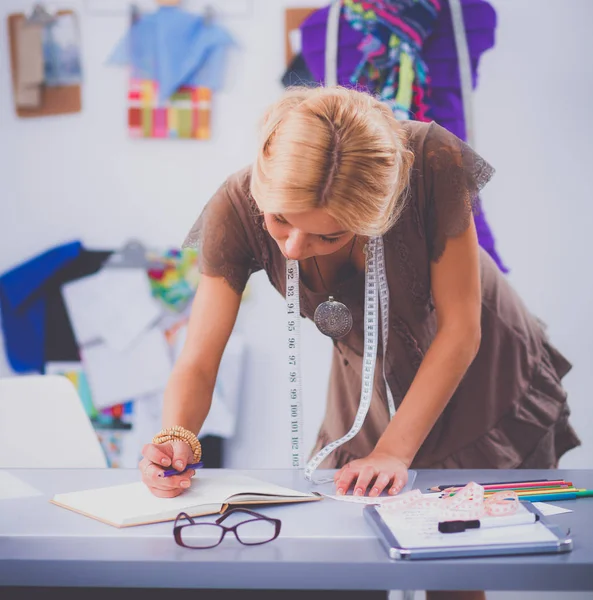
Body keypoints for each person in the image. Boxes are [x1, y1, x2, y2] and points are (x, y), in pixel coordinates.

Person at [139, 86, 580, 600]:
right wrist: (177, 437)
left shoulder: (432, 161)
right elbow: (197, 359)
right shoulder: (237, 206)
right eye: (280, 220)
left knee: (454, 564)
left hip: (478, 362)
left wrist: (394, 451)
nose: (294, 249)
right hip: (367, 374)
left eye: (329, 236)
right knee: (344, 553)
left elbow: (461, 330)